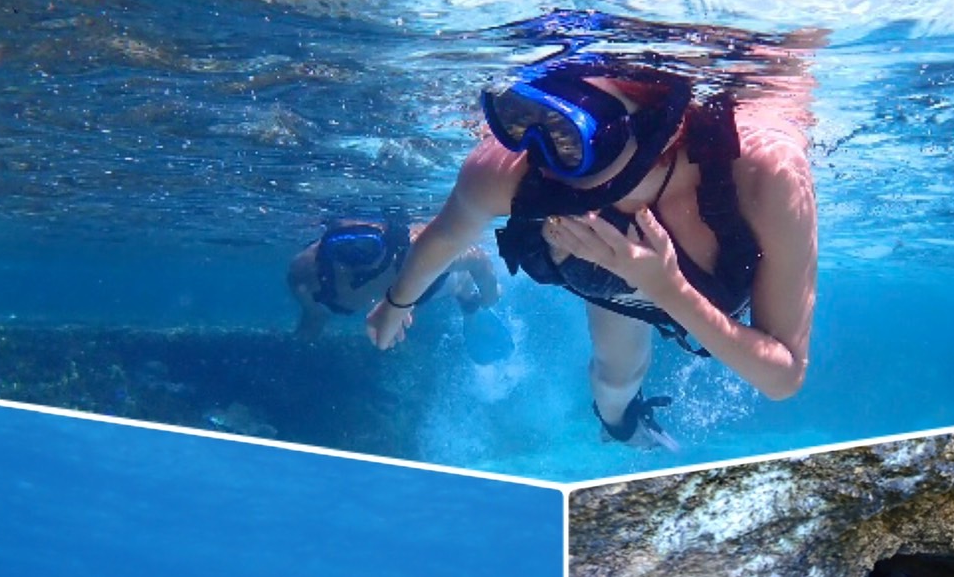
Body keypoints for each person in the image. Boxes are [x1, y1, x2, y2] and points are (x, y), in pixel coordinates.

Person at [366, 58, 817, 450]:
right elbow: (446, 237)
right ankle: (621, 427)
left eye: (573, 135)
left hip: (684, 287)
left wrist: (667, 287)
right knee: (612, 380)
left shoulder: (764, 174)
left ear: (663, 128)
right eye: (524, 119)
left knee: (616, 372)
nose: (545, 160)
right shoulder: (508, 171)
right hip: (608, 287)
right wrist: (395, 303)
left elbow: (783, 378)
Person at [287, 216, 499, 341]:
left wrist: (489, 297)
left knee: (471, 287)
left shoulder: (413, 250)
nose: (358, 253)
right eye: (357, 249)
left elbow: (479, 260)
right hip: (424, 286)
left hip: (441, 279)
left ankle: (470, 302)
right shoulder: (310, 282)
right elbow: (312, 319)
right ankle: (470, 301)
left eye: (363, 243)